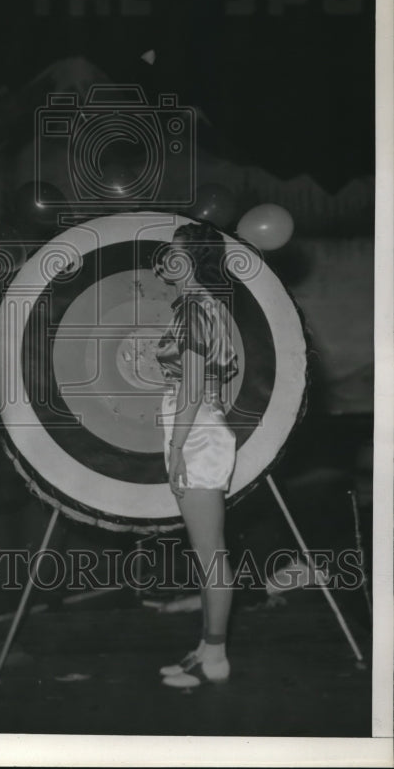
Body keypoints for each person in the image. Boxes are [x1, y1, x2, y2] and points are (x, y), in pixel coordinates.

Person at [153, 220, 239, 689]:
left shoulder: (192, 310)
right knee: (207, 551)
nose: (167, 258)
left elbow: (189, 388)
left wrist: (179, 447)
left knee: (210, 553)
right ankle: (206, 647)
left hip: (195, 434)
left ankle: (217, 656)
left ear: (194, 260)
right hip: (200, 426)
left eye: (176, 252)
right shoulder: (208, 305)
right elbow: (216, 381)